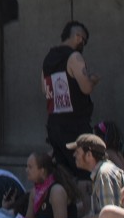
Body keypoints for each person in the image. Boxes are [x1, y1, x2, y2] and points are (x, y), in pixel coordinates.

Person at [28, 133, 124, 218]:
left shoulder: (105, 174)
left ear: (89, 155)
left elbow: (106, 217)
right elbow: (95, 214)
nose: (74, 156)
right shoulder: (99, 173)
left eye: (77, 152)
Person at [42, 21, 99, 176]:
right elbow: (86, 88)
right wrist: (93, 79)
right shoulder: (74, 57)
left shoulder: (48, 60)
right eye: (84, 40)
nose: (83, 44)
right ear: (78, 37)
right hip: (75, 126)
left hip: (54, 125)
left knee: (64, 176)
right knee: (84, 174)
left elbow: (45, 89)